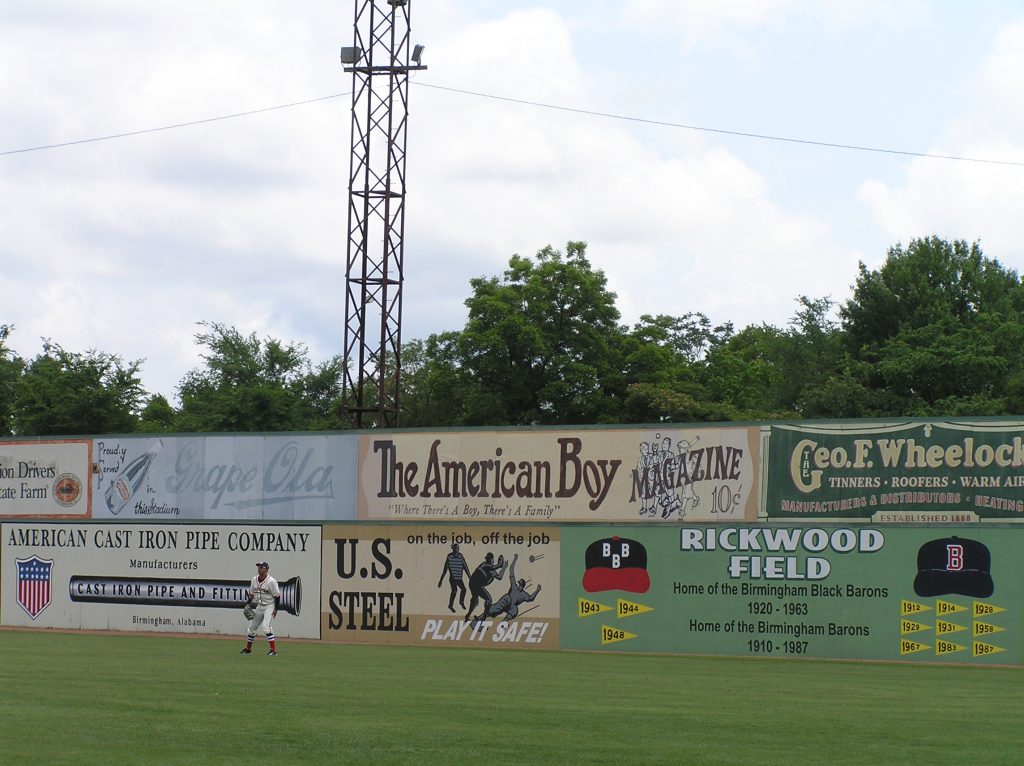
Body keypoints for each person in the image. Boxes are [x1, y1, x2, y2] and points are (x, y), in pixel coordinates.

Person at [483, 554, 541, 622]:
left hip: (512, 606)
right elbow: (511, 570)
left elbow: (531, 598)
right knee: (493, 609)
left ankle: (503, 622)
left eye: (520, 583)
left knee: (515, 610)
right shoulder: (514, 586)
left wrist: (537, 590)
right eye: (519, 583)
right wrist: (515, 559)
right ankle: (480, 619)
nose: (519, 584)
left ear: (522, 585)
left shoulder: (524, 595)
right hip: (507, 600)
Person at [241, 560, 281, 656]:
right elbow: (251, 594)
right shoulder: (254, 579)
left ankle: (273, 650)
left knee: (266, 628)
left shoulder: (271, 581)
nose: (259, 568)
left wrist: (276, 609)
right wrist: (248, 604)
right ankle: (248, 649)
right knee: (251, 628)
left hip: (269, 606)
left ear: (267, 569)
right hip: (259, 606)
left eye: (261, 567)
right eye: (258, 567)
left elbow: (277, 596)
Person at [465, 552, 508, 622]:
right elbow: (499, 576)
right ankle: (482, 621)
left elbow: (495, 569)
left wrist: (501, 565)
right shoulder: (488, 567)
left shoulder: (486, 565)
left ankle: (468, 616)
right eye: (493, 560)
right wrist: (503, 566)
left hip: (472, 583)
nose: (493, 561)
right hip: (476, 584)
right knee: (489, 600)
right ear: (491, 560)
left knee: (475, 600)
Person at [437, 543, 470, 613]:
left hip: (459, 578)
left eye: (457, 548)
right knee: (454, 590)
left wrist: (470, 577)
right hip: (452, 578)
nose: (456, 550)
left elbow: (465, 567)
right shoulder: (449, 556)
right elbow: (445, 569)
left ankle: (461, 602)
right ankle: (450, 605)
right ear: (453, 549)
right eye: (455, 548)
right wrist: (441, 580)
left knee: (464, 590)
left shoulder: (461, 556)